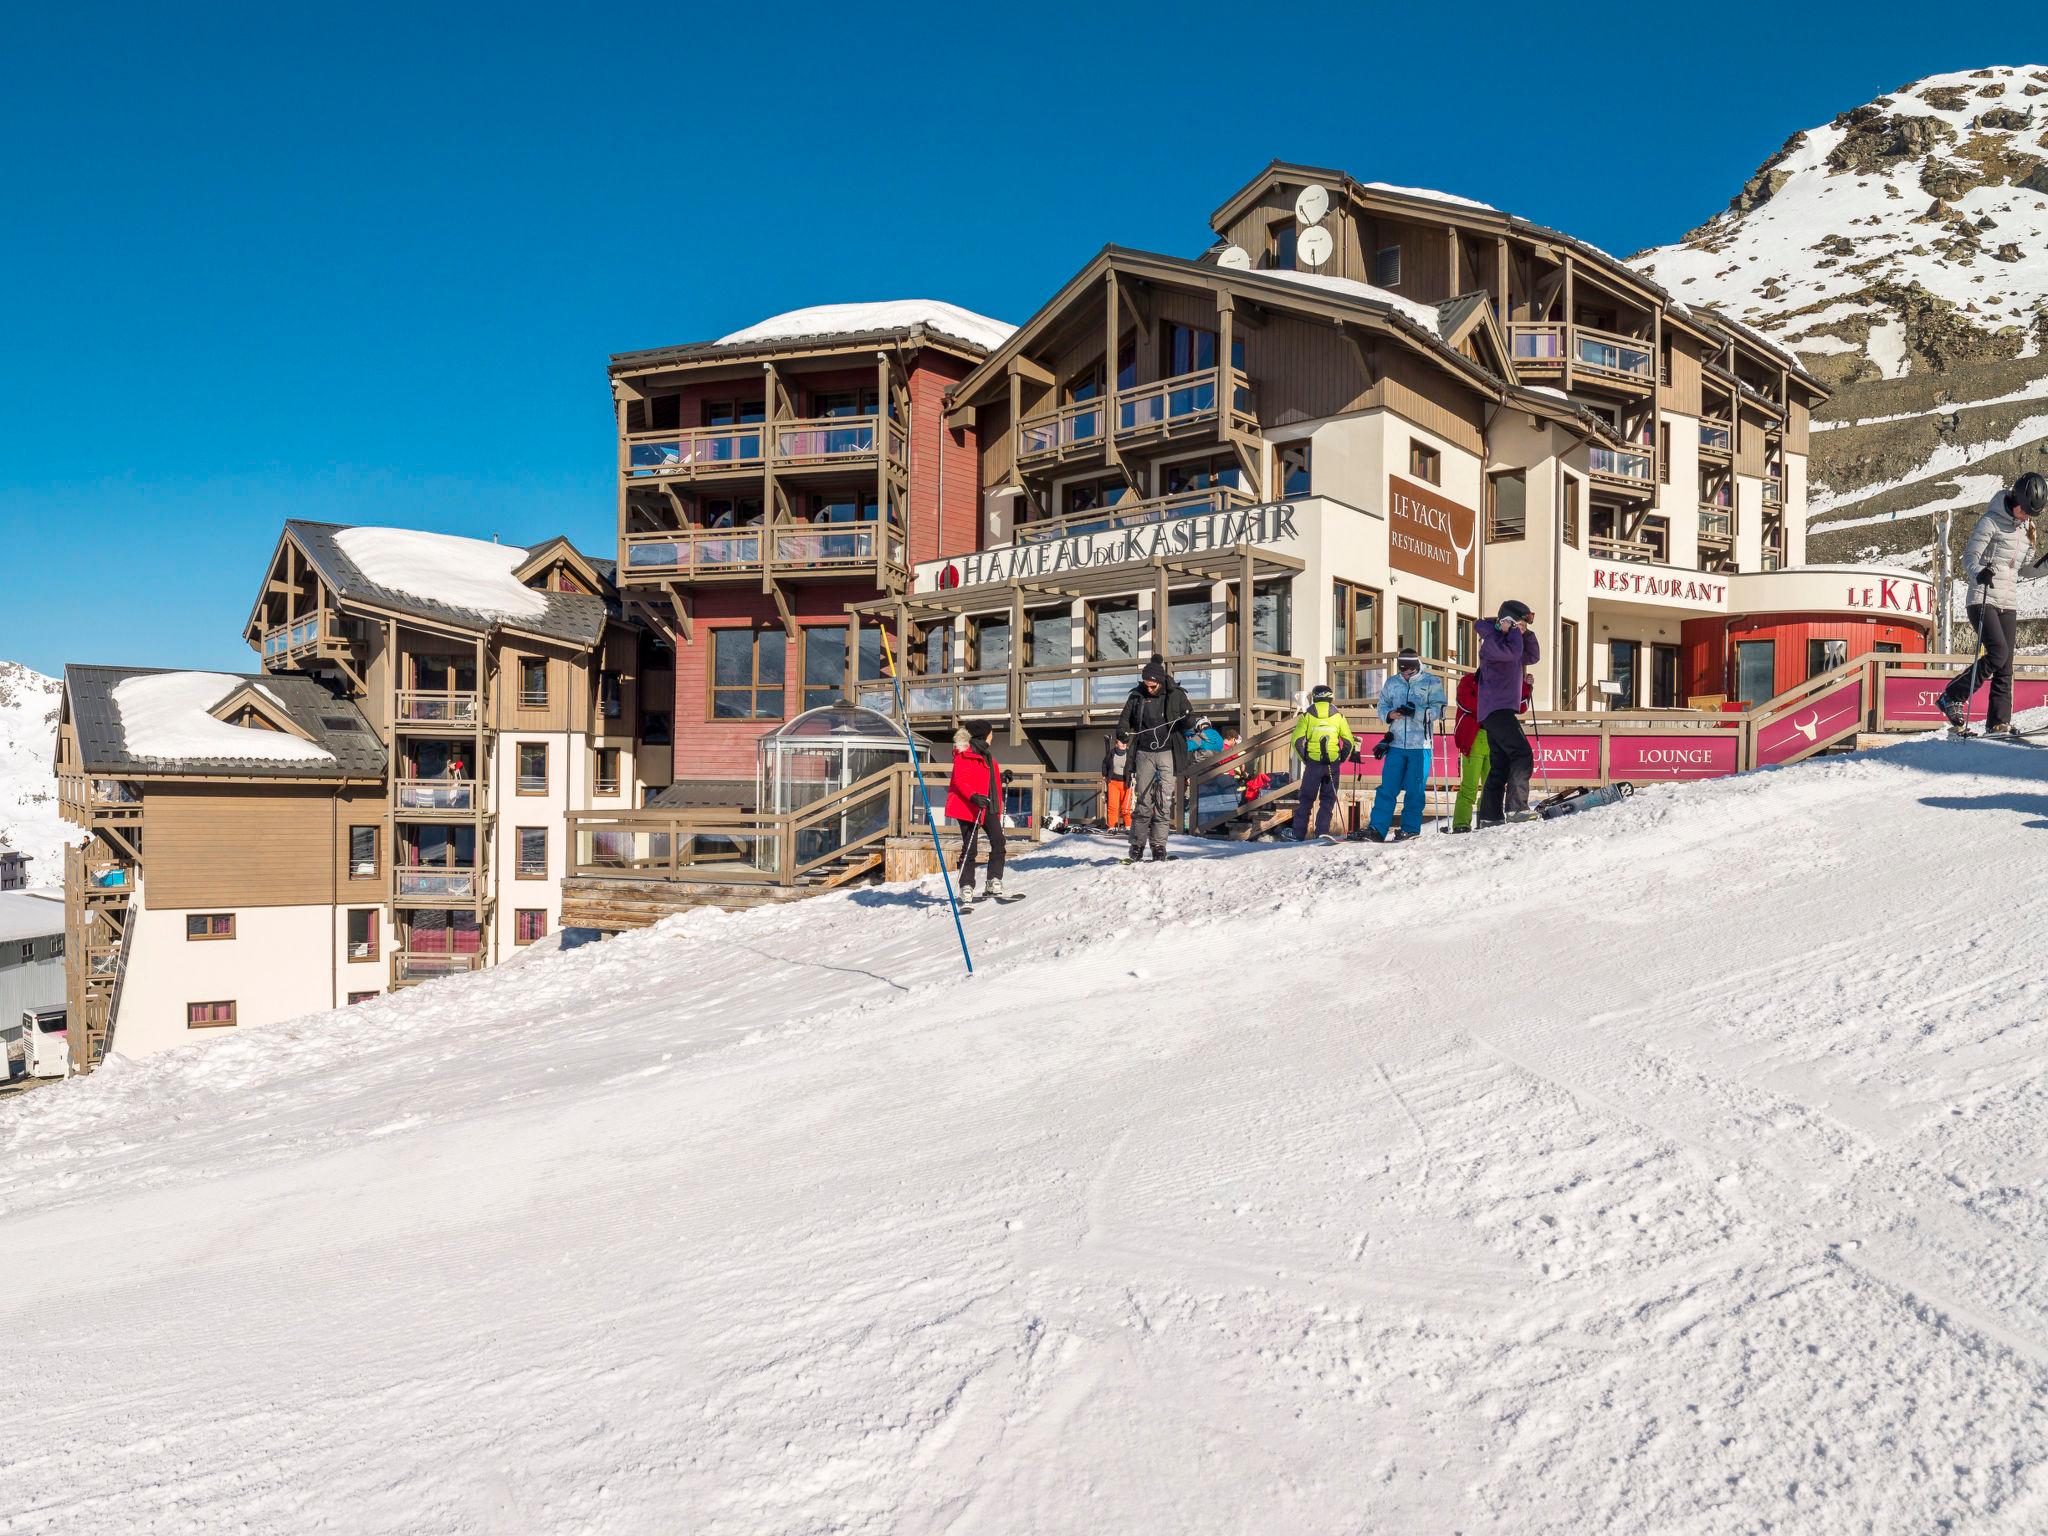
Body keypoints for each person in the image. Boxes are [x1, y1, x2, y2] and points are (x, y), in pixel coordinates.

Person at [1940, 473, 2048, 733]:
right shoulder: (1990, 521)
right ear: (2016, 499)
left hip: (2008, 601)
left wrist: (2044, 565)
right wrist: (1979, 572)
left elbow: (2023, 570)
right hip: (1982, 597)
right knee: (1998, 653)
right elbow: (1970, 556)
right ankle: (1953, 695)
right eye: (2025, 511)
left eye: (2032, 514)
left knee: (2006, 665)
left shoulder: (2027, 529)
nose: (2026, 517)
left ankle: (1998, 723)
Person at [1114, 655, 1193, 863]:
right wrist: (1122, 732)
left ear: (1160, 680)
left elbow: (1189, 722)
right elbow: (1124, 720)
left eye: (1153, 685)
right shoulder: (1137, 696)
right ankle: (1137, 845)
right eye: (1147, 685)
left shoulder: (1175, 694)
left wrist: (1187, 718)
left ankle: (1159, 845)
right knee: (1144, 801)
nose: (1149, 689)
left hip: (1167, 751)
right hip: (1144, 753)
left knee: (1164, 800)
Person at [1365, 649, 1447, 842]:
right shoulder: (1393, 682)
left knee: (1414, 790)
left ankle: (1410, 828)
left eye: (1409, 671)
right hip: (1396, 744)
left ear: (1417, 666)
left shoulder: (1431, 682)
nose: (1405, 674)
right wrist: (1389, 714)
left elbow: (1439, 711)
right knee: (1387, 788)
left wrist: (1416, 712)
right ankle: (1377, 829)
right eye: (1402, 671)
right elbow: (1382, 704)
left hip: (1420, 746)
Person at [1476, 600, 1542, 827]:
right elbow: (1514, 653)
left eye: (1524, 625)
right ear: (1506, 622)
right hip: (1496, 709)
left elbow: (1532, 656)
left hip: (1498, 709)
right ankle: (1516, 808)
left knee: (1501, 762)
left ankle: (1489, 815)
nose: (1521, 629)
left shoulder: (1508, 640)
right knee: (1522, 754)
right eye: (1519, 624)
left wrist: (1525, 633)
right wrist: (1513, 632)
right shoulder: (1492, 642)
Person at [943, 719, 1005, 899]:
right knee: (971, 848)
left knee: (998, 841)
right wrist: (973, 797)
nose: (993, 736)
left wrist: (1003, 778)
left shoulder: (988, 757)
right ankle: (966, 886)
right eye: (991, 733)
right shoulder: (964, 754)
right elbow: (959, 781)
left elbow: (988, 780)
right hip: (968, 806)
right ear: (985, 735)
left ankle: (994, 880)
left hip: (988, 805)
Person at [1286, 684, 1357, 841]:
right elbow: (1348, 742)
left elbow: (1297, 741)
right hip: (1332, 763)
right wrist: (1340, 759)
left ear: (1315, 697)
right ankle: (1322, 832)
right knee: (1328, 799)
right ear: (1330, 697)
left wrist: (1306, 758)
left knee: (1306, 799)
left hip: (1313, 763)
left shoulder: (1306, 716)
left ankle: (1298, 834)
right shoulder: (1339, 717)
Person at [1100, 736, 1131, 832]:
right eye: (1121, 743)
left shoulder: (1130, 753)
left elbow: (1134, 765)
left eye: (1125, 743)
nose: (1123, 745)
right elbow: (1105, 763)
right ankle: (1112, 827)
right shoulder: (1111, 753)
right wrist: (1105, 775)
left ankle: (1128, 826)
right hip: (1113, 782)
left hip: (1126, 782)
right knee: (1112, 805)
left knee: (1126, 806)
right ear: (1116, 744)